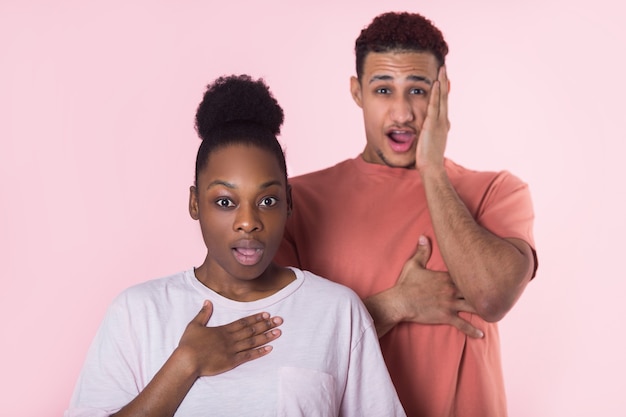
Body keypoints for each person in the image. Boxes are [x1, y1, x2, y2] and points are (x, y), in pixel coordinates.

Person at [65, 75, 406, 417]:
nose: (248, 221)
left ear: (288, 202)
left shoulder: (336, 311)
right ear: (195, 203)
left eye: (267, 200)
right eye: (226, 202)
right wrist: (185, 364)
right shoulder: (138, 313)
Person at [275, 11, 538, 417]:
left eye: (417, 90)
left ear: (443, 92)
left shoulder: (497, 192)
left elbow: (491, 296)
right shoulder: (297, 203)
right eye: (383, 90)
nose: (401, 113)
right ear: (357, 92)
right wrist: (398, 303)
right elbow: (286, 351)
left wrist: (431, 168)